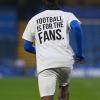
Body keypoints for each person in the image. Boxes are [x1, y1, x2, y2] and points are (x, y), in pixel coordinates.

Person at [22, 0, 85, 100]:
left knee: (47, 97)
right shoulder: (67, 15)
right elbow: (76, 27)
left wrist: (41, 51)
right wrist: (79, 54)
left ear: (44, 1)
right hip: (65, 61)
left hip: (46, 63)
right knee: (64, 89)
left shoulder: (34, 19)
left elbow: (27, 46)